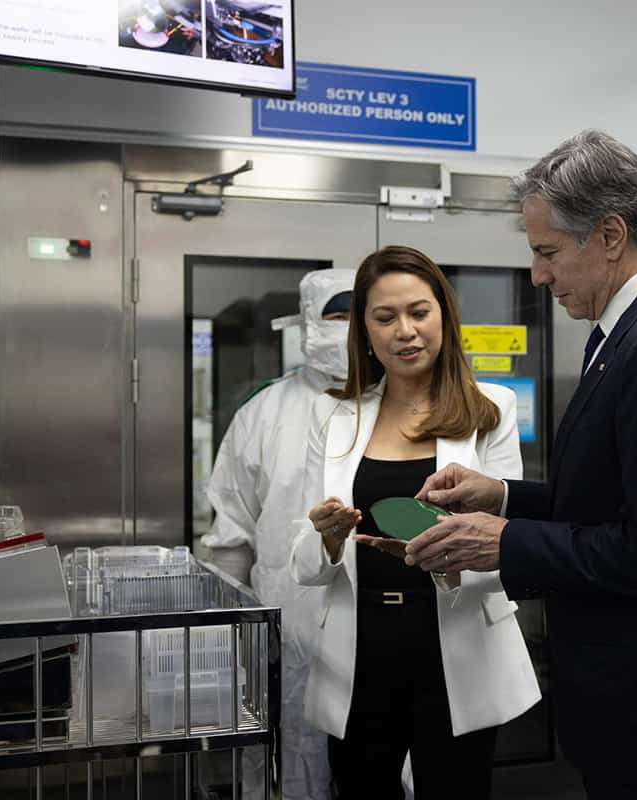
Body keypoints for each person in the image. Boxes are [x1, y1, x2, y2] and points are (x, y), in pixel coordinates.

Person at [403, 130, 637, 799]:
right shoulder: (634, 330)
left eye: (547, 252)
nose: (538, 275)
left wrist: (506, 545)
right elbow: (618, 499)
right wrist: (505, 499)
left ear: (609, 235)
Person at [288, 245, 540, 800]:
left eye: (419, 312)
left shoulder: (489, 409)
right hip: (360, 656)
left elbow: (507, 545)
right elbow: (306, 565)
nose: (405, 331)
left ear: (444, 317)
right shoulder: (333, 418)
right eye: (385, 317)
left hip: (455, 648)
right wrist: (328, 538)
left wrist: (449, 552)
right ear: (366, 331)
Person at [204, 268, 354, 800]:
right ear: (309, 324)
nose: (351, 329)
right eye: (337, 316)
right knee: (294, 765)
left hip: (385, 634)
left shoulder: (412, 406)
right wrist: (226, 644)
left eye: (365, 315)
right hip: (288, 636)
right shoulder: (263, 414)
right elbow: (230, 538)